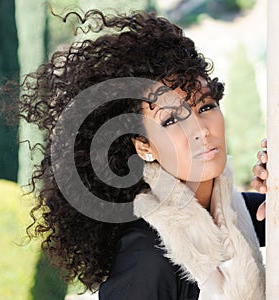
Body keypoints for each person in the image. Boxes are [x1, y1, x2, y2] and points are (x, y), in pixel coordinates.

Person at [17, 9, 266, 299]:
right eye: (171, 120)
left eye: (206, 106)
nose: (199, 129)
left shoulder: (235, 213)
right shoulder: (147, 259)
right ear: (144, 146)